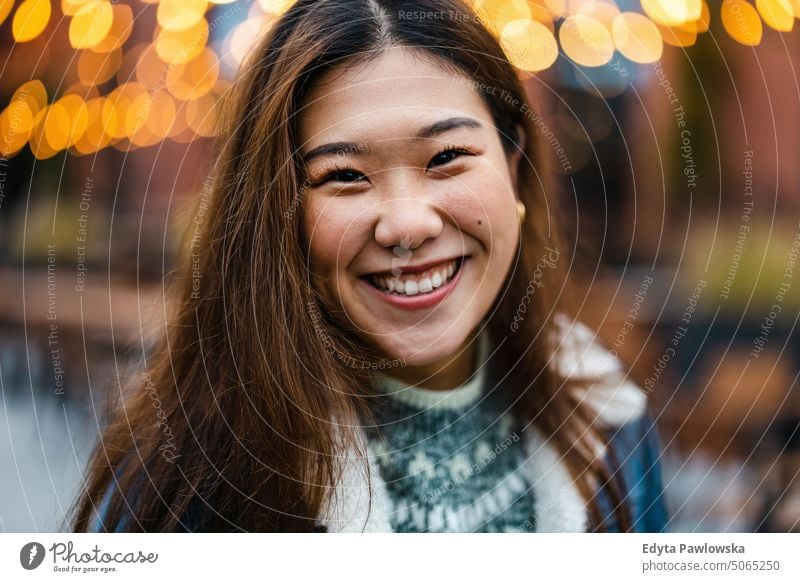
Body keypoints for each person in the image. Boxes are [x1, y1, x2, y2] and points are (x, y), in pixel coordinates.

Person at [71, 0, 668, 533]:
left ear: (513, 165)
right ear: (280, 212)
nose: (407, 225)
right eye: (344, 176)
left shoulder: (606, 422)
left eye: (447, 156)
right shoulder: (196, 479)